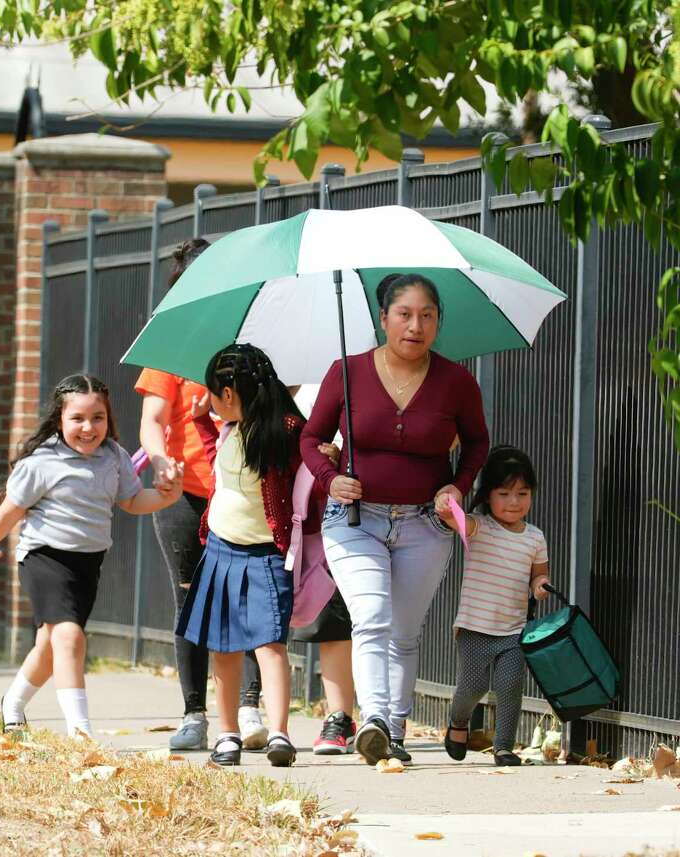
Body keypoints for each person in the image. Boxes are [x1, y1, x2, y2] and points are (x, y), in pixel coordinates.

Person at [300, 273, 490, 766]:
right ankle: (377, 719)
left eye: (427, 315)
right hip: (355, 519)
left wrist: (458, 485)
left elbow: (477, 443)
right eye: (404, 314)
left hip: (425, 523)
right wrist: (328, 476)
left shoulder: (456, 381)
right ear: (383, 319)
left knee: (404, 631)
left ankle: (396, 728)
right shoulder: (348, 371)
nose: (416, 325)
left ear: (438, 323)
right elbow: (309, 436)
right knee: (371, 618)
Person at [0, 374, 184, 738]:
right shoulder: (43, 461)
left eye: (97, 418)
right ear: (59, 419)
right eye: (78, 419)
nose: (88, 428)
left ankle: (13, 703)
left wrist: (168, 495)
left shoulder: (114, 458)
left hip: (88, 563)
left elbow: (133, 502)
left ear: (108, 418)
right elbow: (11, 510)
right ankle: (80, 733)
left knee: (51, 647)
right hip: (44, 557)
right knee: (69, 638)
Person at [137, 239, 269, 752]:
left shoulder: (255, 351)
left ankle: (250, 705)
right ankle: (195, 715)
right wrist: (159, 457)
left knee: (253, 600)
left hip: (247, 497)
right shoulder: (171, 349)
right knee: (191, 603)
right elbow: (152, 421)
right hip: (187, 496)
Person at [176, 344, 321, 768]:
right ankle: (227, 736)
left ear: (230, 392)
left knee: (269, 644)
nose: (213, 401)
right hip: (220, 551)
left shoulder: (285, 430)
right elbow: (213, 461)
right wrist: (203, 418)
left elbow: (310, 463)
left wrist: (326, 455)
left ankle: (280, 733)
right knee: (222, 648)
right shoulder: (228, 430)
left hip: (266, 556)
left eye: (214, 394)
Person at [441, 446, 550, 767]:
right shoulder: (479, 526)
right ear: (488, 495)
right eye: (504, 493)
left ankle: (503, 748)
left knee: (509, 687)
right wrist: (448, 505)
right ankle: (458, 722)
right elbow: (454, 520)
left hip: (514, 630)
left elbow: (539, 574)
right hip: (475, 627)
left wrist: (539, 586)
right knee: (473, 687)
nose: (514, 501)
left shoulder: (535, 537)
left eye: (522, 493)